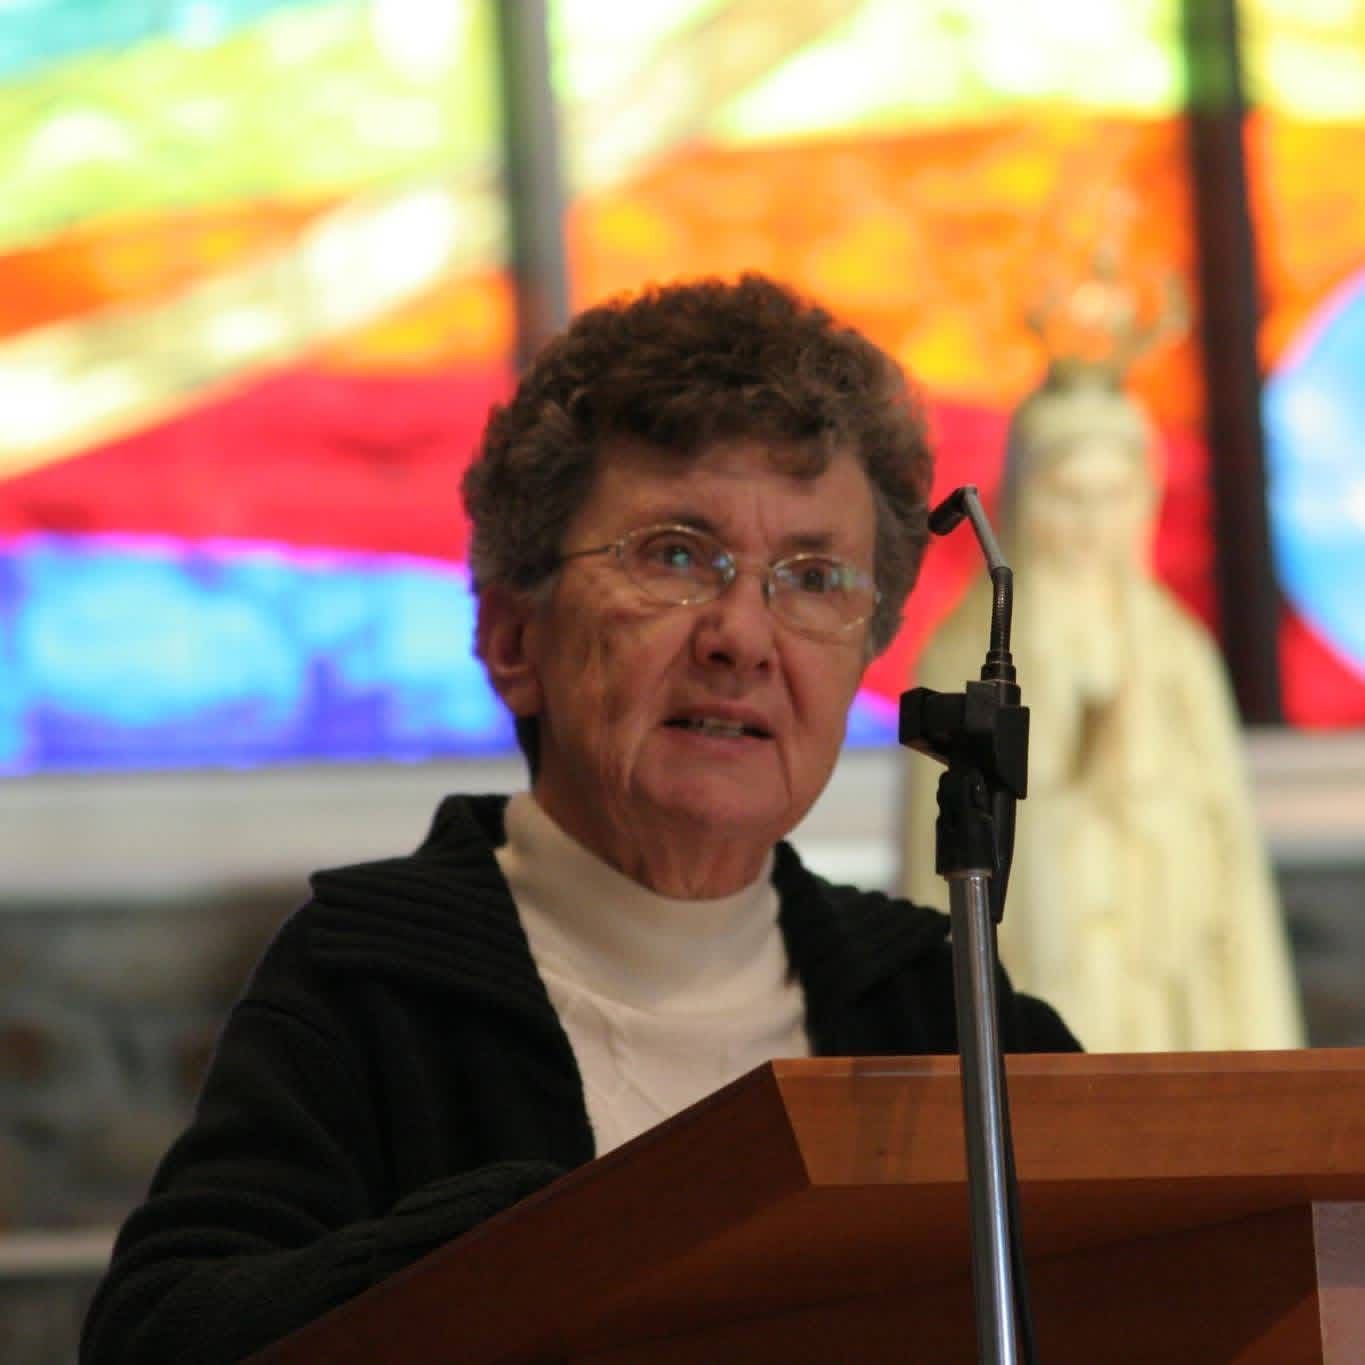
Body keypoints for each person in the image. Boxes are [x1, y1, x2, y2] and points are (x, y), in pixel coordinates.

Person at [82, 274, 1078, 1365]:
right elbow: (161, 1340)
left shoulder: (941, 1014)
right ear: (516, 642)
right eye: (677, 556)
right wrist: (530, 1241)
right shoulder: (369, 985)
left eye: (811, 575)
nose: (743, 636)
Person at [903, 360, 1304, 1052]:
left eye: (1111, 494)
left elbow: (1228, 861)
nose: (1091, 522)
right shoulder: (968, 645)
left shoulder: (1176, 651)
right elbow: (932, 863)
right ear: (1024, 495)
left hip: (1158, 984)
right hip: (1034, 962)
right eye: (1067, 495)